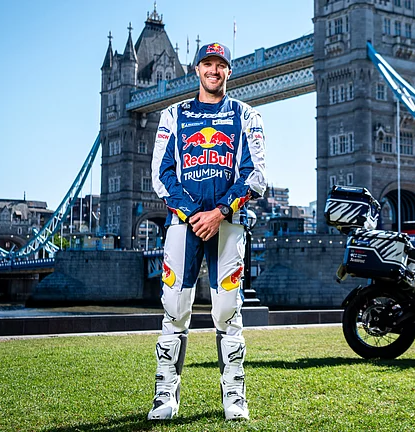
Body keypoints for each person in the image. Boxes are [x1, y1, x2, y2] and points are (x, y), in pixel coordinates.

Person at [148, 41, 266, 421]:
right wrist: (193, 213)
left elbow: (256, 174)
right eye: (207, 64)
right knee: (175, 309)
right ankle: (165, 397)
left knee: (228, 311)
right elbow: (160, 175)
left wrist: (218, 212)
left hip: (229, 223)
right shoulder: (172, 116)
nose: (213, 71)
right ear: (196, 69)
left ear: (229, 71)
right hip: (183, 225)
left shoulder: (247, 117)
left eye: (221, 65)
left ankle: (235, 396)